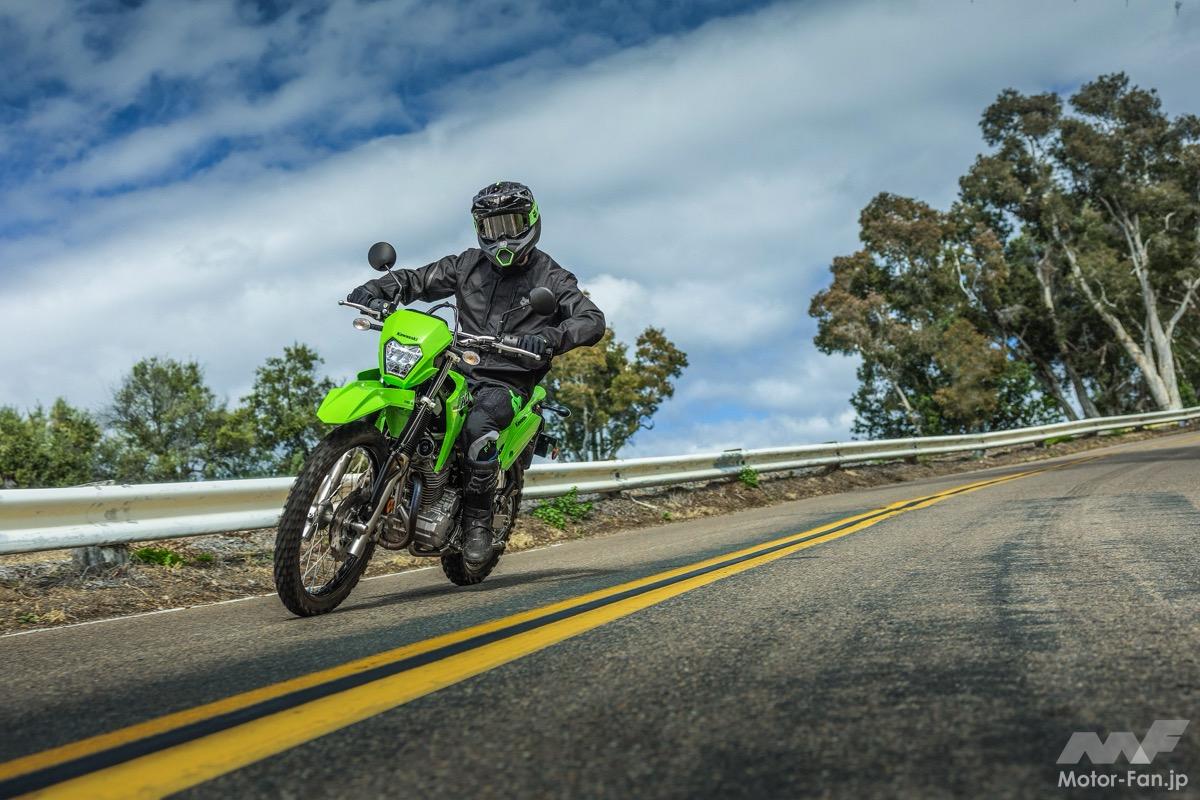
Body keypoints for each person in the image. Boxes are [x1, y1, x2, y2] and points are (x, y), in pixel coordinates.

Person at [346, 181, 605, 567]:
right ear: (479, 229)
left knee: (478, 424)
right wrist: (378, 288)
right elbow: (418, 279)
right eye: (491, 227)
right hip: (456, 366)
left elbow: (591, 319)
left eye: (510, 225)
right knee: (404, 393)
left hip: (507, 379)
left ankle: (477, 525)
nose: (501, 237)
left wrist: (547, 338)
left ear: (530, 221)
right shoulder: (466, 265)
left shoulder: (552, 277)